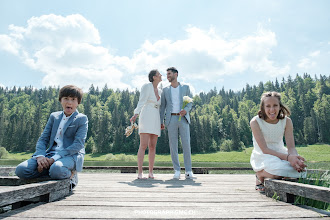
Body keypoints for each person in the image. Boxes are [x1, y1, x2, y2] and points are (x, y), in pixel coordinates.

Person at [15, 85, 88, 190]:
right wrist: (40, 156)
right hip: (50, 154)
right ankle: (47, 168)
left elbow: (78, 145)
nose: (69, 102)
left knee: (57, 169)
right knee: (21, 170)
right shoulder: (54, 116)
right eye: (66, 99)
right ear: (60, 100)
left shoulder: (82, 119)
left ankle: (72, 174)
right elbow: (43, 139)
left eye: (73, 99)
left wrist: (53, 159)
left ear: (78, 102)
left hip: (71, 156)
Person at [250, 91, 307, 192]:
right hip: (263, 155)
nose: (272, 110)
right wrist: (289, 158)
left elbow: (291, 147)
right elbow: (265, 149)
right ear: (263, 107)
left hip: (281, 153)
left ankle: (280, 175)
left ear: (280, 106)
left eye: (275, 105)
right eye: (268, 106)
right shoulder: (255, 122)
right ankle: (260, 174)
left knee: (302, 172)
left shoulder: (287, 121)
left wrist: (296, 160)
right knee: (278, 171)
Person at [160, 67, 195, 179]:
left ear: (176, 74)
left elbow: (190, 102)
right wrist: (161, 121)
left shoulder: (185, 87)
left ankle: (188, 170)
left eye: (169, 74)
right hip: (171, 120)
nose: (168, 76)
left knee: (186, 144)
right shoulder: (165, 90)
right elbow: (163, 107)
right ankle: (177, 170)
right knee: (173, 146)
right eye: (167, 75)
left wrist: (186, 110)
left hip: (183, 118)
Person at [130, 69, 162, 179]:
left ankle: (151, 172)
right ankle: (140, 172)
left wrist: (162, 121)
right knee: (143, 145)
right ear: (154, 77)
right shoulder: (147, 86)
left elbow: (161, 107)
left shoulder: (160, 91)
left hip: (156, 117)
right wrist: (135, 114)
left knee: (153, 146)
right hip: (146, 115)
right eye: (159, 74)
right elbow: (141, 101)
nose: (161, 75)